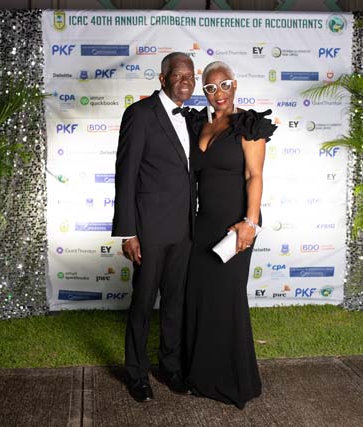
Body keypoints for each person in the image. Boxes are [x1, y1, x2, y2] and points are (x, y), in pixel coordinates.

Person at [184, 61, 277, 409]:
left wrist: (249, 223)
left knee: (227, 297)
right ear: (204, 92)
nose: (218, 93)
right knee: (200, 296)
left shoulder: (248, 125)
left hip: (237, 223)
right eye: (210, 88)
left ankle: (233, 380)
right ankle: (200, 375)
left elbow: (255, 175)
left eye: (224, 85)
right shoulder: (198, 125)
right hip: (203, 223)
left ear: (235, 85)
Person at [112, 52, 197, 403]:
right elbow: (126, 174)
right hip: (149, 231)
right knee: (143, 305)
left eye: (191, 76)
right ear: (162, 79)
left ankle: (169, 367)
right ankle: (136, 373)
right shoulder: (140, 114)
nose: (186, 81)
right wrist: (128, 232)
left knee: (175, 304)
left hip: (185, 230)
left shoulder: (192, 117)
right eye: (178, 75)